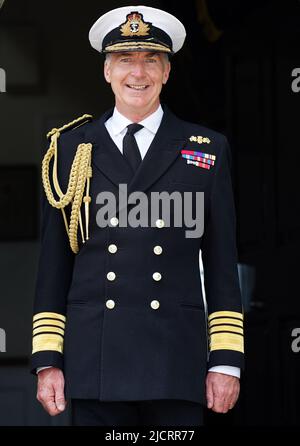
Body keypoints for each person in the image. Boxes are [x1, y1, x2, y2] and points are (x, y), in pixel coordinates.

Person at [31, 5, 244, 426]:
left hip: (176, 361)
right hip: (96, 361)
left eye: (151, 60)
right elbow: (53, 266)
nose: (138, 73)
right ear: (107, 71)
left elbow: (221, 263)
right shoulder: (71, 151)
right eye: (125, 60)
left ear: (167, 73)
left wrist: (226, 360)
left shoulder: (205, 148)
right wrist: (47, 359)